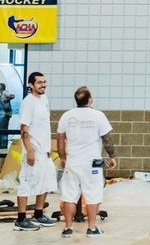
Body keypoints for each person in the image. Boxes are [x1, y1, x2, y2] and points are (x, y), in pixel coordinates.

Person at [56, 86, 116, 238]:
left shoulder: (67, 116)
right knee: (93, 195)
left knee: (69, 195)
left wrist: (62, 157)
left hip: (72, 162)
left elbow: (60, 138)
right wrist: (112, 156)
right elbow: (106, 139)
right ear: (90, 99)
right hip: (92, 163)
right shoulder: (98, 115)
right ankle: (92, 228)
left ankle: (68, 228)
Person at [14, 72, 56, 231]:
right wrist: (29, 150)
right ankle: (21, 219)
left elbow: (44, 125)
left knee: (46, 182)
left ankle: (38, 214)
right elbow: (24, 128)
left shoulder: (44, 99)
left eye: (44, 82)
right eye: (39, 82)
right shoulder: (28, 102)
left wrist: (49, 146)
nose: (43, 85)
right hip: (33, 151)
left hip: (44, 151)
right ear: (31, 85)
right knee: (26, 183)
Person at [0, 83, 15, 150]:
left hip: (5, 114)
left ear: (2, 87)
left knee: (3, 129)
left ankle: (4, 145)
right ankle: (1, 144)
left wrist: (6, 98)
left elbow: (12, 96)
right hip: (0, 114)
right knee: (0, 129)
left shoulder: (5, 93)